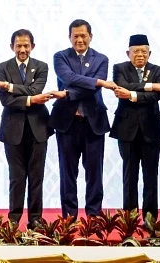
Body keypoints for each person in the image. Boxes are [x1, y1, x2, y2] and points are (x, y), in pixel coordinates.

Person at [49, 19, 115, 218]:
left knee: (94, 173)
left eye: (83, 36)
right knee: (67, 173)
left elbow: (91, 88)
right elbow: (68, 78)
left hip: (93, 122)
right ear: (69, 37)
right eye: (75, 36)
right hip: (67, 123)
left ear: (90, 37)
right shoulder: (60, 56)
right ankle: (69, 217)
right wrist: (97, 81)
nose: (79, 40)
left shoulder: (101, 59)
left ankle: (93, 216)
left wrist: (69, 94)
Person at [0, 29, 52, 229]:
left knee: (36, 176)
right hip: (12, 129)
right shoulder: (3, 67)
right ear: (12, 47)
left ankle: (35, 219)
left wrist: (8, 86)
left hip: (38, 128)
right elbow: (5, 101)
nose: (22, 49)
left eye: (26, 45)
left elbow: (37, 90)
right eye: (19, 46)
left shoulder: (42, 66)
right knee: (16, 177)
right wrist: (30, 99)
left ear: (32, 46)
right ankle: (14, 219)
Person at [108, 34, 160, 221]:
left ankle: (150, 220)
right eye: (136, 51)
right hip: (126, 129)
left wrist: (133, 94)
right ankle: (130, 219)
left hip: (151, 128)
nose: (140, 55)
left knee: (151, 175)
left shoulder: (159, 71)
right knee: (129, 175)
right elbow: (121, 86)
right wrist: (151, 86)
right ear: (128, 53)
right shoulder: (119, 68)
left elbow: (156, 97)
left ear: (150, 53)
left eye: (144, 51)